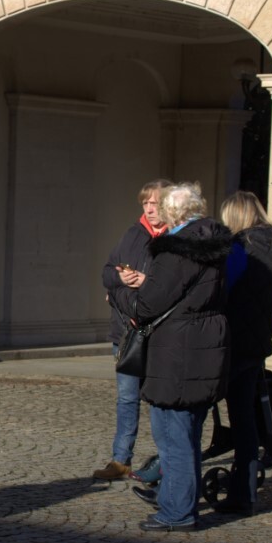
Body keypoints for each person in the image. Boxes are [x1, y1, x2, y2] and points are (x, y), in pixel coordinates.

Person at [133, 182, 231, 532]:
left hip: (177, 352)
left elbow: (149, 302)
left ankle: (177, 511)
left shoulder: (177, 250)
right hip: (203, 348)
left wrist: (129, 298)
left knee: (173, 437)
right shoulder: (216, 244)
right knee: (187, 434)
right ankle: (177, 502)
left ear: (172, 213)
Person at [214, 191, 272, 516]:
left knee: (210, 412)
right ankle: (243, 492)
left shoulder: (241, 248)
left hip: (235, 340)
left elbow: (222, 290)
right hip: (257, 341)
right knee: (244, 419)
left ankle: (177, 486)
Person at [94, 180, 170, 480]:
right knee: (127, 398)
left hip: (161, 335)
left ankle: (167, 462)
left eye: (155, 203)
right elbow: (106, 273)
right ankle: (120, 459)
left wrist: (145, 282)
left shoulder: (176, 238)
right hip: (127, 334)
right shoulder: (132, 234)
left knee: (161, 401)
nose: (150, 209)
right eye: (145, 203)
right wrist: (120, 280)